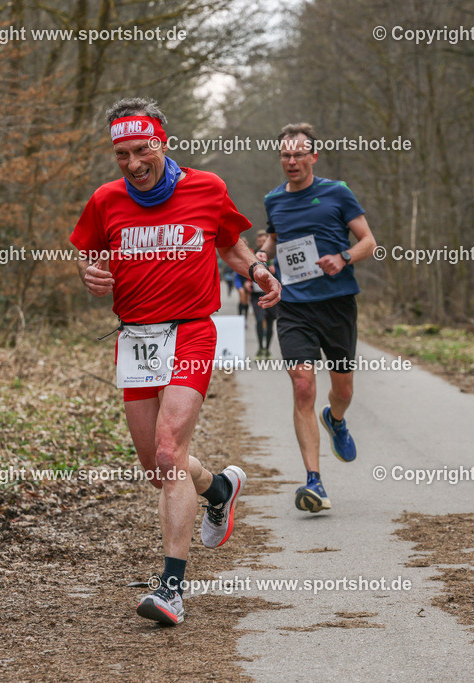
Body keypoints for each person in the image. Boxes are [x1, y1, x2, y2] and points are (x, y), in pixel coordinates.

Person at [71, 97, 281, 625]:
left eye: (142, 150)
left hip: (190, 331)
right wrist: (89, 273)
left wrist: (257, 270)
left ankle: (171, 589)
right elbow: (88, 253)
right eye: (122, 154)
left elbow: (228, 243)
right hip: (136, 339)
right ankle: (220, 487)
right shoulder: (105, 199)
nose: (134, 163)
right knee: (156, 468)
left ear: (163, 141)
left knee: (168, 452)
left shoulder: (206, 188)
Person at [256, 122, 376, 513]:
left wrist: (343, 258)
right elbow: (275, 237)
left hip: (337, 303)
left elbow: (368, 242)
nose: (291, 161)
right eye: (285, 155)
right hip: (293, 306)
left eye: (298, 154)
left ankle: (336, 419)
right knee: (303, 384)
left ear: (313, 156)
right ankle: (314, 482)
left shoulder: (336, 193)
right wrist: (262, 255)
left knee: (342, 391)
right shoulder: (274, 199)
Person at [247, 230, 278, 357]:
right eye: (259, 241)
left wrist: (276, 270)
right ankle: (260, 347)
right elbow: (243, 269)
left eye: (263, 241)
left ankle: (267, 349)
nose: (261, 243)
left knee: (270, 322)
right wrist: (246, 282)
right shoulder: (251, 255)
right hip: (256, 294)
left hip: (272, 293)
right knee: (260, 319)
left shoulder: (275, 257)